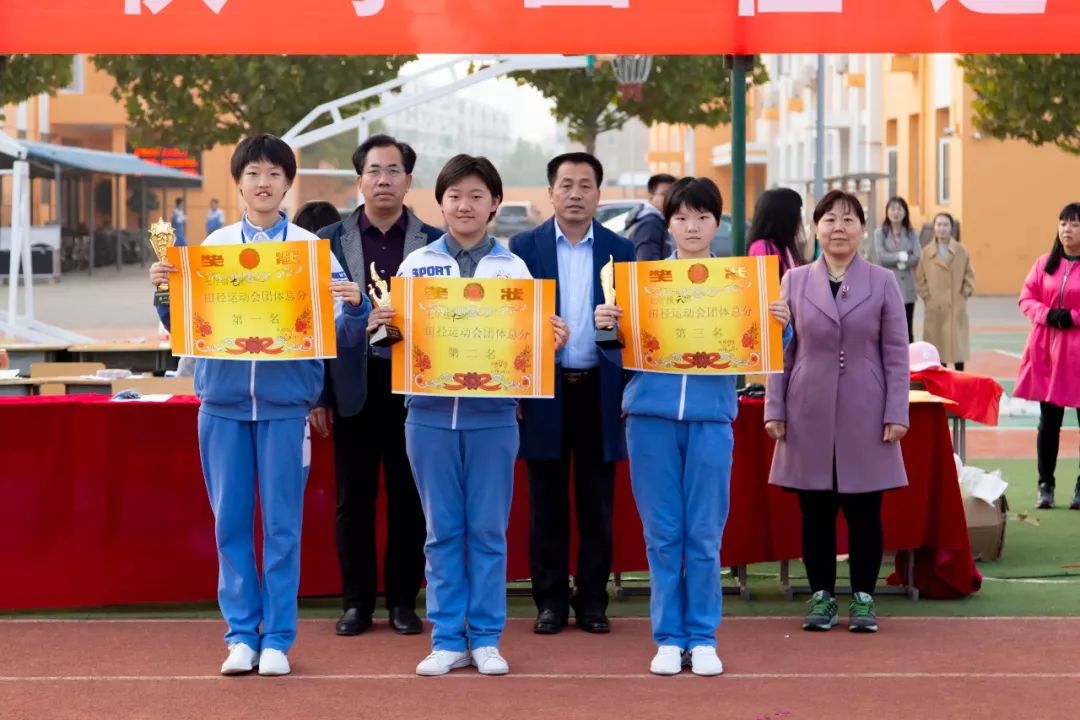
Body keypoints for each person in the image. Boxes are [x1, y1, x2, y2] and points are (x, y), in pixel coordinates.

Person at [149, 134, 370, 676]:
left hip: (283, 408)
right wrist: (163, 295)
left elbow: (339, 331)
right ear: (239, 182)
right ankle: (241, 637)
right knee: (229, 524)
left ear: (287, 182)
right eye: (253, 173)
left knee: (282, 528)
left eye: (274, 173)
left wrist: (357, 307)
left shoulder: (313, 253)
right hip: (221, 406)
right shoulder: (212, 249)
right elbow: (186, 331)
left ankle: (278, 640)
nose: (263, 182)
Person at [369, 154, 568, 677]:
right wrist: (380, 326)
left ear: (495, 204)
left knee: (485, 530)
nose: (465, 205)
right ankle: (446, 638)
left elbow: (531, 348)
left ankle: (485, 637)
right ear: (441, 202)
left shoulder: (513, 270)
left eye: (477, 196)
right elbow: (388, 348)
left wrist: (550, 341)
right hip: (428, 416)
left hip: (494, 417)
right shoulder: (416, 268)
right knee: (440, 531)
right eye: (455, 196)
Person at [595, 177, 792, 676]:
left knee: (703, 533)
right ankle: (667, 637)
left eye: (702, 217)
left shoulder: (741, 285)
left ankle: (703, 636)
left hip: (710, 419)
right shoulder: (643, 282)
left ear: (717, 223)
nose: (691, 226)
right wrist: (606, 324)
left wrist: (780, 321)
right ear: (668, 224)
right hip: (650, 419)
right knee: (663, 533)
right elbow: (614, 351)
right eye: (681, 217)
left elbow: (769, 346)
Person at [312, 134, 442, 637]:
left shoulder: (433, 243)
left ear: (409, 180)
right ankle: (356, 604)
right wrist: (319, 394)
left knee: (410, 499)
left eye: (394, 171)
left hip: (412, 384)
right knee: (354, 500)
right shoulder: (325, 241)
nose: (383, 179)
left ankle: (404, 603)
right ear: (359, 179)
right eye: (374, 171)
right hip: (352, 384)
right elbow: (315, 324)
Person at [764, 189, 909, 634]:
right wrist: (775, 406)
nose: (838, 228)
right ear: (815, 229)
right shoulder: (793, 281)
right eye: (829, 220)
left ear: (863, 229)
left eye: (848, 220)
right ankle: (822, 596)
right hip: (807, 407)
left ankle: (863, 598)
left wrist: (896, 411)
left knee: (865, 511)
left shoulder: (883, 282)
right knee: (816, 513)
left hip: (866, 408)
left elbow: (896, 353)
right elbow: (780, 351)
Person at [510, 153, 635, 636]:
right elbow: (511, 324)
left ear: (599, 195)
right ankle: (550, 601)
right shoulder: (523, 248)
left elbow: (636, 327)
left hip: (600, 391)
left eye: (586, 185)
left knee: (597, 502)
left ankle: (593, 600)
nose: (576, 193)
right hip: (544, 391)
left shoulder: (620, 250)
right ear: (551, 193)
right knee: (546, 502)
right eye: (567, 184)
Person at [1015, 203, 1080, 510]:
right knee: (1049, 422)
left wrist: (1072, 317)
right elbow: (1026, 298)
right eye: (1064, 223)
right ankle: (1046, 484)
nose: (1068, 229)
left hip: (1077, 356)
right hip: (1049, 356)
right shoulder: (1044, 264)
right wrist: (1047, 314)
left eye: (1075, 224)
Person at [915, 212, 974, 371]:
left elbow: (969, 274)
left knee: (957, 350)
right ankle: (942, 385)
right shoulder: (927, 252)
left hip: (956, 305)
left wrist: (964, 293)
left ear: (951, 228)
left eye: (945, 225)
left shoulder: (961, 250)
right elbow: (920, 277)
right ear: (934, 227)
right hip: (935, 308)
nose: (942, 229)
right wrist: (927, 296)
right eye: (939, 225)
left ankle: (959, 381)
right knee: (938, 350)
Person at [873, 196, 921, 343]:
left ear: (905, 212)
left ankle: (909, 362)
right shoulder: (880, 233)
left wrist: (902, 263)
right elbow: (881, 256)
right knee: (888, 328)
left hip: (907, 287)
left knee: (907, 329)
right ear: (887, 212)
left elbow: (917, 255)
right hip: (888, 286)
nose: (896, 212)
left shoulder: (912, 233)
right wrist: (900, 256)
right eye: (892, 209)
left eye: (899, 209)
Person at [748, 187, 806, 280]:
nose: (799, 220)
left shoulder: (785, 246)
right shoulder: (762, 247)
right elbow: (767, 288)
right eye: (797, 214)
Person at [625, 173, 675, 261]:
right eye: (665, 194)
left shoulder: (649, 219)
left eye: (674, 194)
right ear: (650, 196)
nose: (670, 198)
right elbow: (647, 264)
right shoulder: (650, 224)